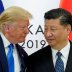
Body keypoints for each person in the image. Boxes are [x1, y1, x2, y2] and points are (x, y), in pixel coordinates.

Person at [26, 8, 72, 72]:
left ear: (68, 29)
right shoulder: (34, 60)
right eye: (46, 29)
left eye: (53, 29)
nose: (47, 34)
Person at [0, 6, 32, 72]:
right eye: (23, 27)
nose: (27, 31)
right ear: (7, 28)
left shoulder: (23, 54)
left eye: (27, 26)